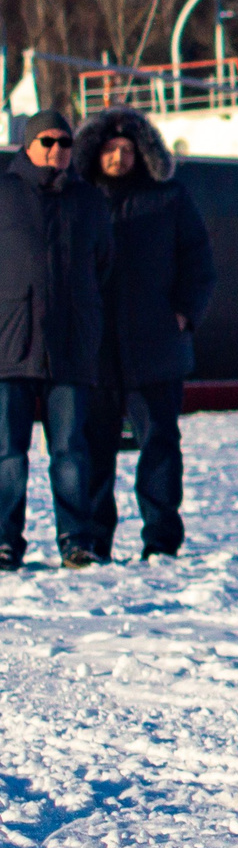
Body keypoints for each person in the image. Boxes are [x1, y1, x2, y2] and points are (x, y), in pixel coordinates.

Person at [72, 108, 213, 562]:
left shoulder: (168, 198)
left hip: (155, 348)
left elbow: (199, 262)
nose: (118, 157)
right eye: (110, 149)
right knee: (95, 449)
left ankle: (161, 539)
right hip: (95, 350)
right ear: (95, 152)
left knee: (159, 445)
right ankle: (94, 539)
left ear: (141, 153)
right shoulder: (79, 199)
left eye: (127, 150)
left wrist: (183, 315)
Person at [0, 112, 111, 568]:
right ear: (28, 144)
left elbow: (103, 263)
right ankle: (5, 540)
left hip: (69, 347)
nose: (57, 150)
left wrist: (83, 314)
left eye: (65, 143)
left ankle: (76, 540)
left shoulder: (87, 200)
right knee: (8, 453)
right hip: (10, 345)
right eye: (47, 141)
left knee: (70, 451)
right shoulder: (4, 194)